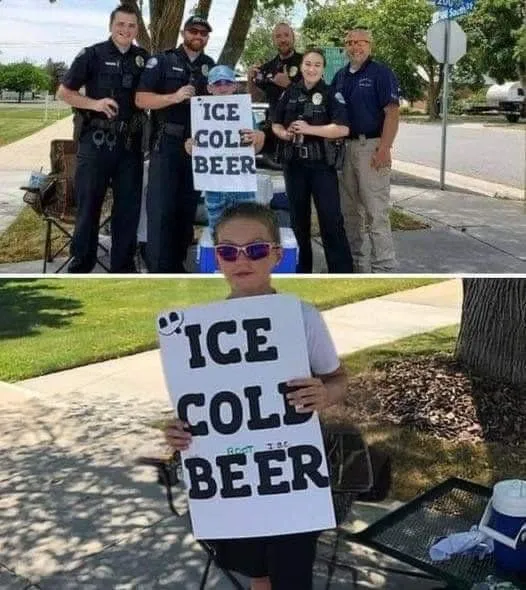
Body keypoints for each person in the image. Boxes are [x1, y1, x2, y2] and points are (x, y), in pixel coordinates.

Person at [164, 201, 348, 590]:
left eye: (257, 249)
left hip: (291, 481)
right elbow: (198, 411)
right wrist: (180, 434)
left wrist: (324, 394)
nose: (241, 260)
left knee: (292, 575)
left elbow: (338, 379)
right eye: (228, 251)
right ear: (216, 257)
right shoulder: (195, 333)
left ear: (277, 255)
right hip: (235, 486)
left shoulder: (302, 316)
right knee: (256, 574)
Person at [58, 4, 149, 273]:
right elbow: (63, 92)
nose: (125, 30)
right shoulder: (92, 54)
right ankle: (82, 264)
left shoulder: (144, 58)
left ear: (136, 29)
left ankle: (123, 266)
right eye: (121, 24)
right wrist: (94, 104)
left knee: (128, 210)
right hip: (95, 143)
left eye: (131, 26)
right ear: (111, 26)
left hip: (129, 147)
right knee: (88, 208)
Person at [135, 15, 215, 273]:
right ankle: (158, 267)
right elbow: (141, 99)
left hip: (197, 148)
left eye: (203, 33)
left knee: (186, 209)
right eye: (194, 31)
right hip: (167, 144)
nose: (198, 36)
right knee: (161, 209)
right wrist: (173, 96)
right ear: (183, 33)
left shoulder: (209, 65)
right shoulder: (162, 60)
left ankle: (178, 263)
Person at [271, 49, 354, 274]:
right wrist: (283, 134)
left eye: (317, 65)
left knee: (331, 220)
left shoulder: (330, 93)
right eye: (308, 64)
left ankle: (341, 272)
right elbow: (275, 123)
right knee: (298, 222)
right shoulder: (290, 92)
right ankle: (300, 271)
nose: (311, 68)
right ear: (302, 65)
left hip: (321, 167)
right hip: (294, 165)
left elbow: (343, 128)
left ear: (323, 68)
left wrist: (310, 129)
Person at [331, 28, 401, 273]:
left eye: (360, 42)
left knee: (376, 214)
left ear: (370, 45)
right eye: (350, 42)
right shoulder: (340, 76)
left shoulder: (381, 73)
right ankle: (356, 267)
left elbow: (392, 113)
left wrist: (385, 147)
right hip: (345, 149)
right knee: (350, 215)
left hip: (371, 147)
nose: (355, 47)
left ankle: (384, 268)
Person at [184, 65, 265, 232]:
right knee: (218, 233)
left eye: (227, 83)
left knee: (245, 233)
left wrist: (259, 138)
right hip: (214, 187)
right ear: (209, 88)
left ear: (235, 86)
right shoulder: (199, 113)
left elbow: (254, 150)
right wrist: (189, 146)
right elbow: (191, 148)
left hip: (242, 186)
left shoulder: (245, 112)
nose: (222, 87)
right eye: (217, 83)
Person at [247, 23, 303, 165]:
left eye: (286, 35)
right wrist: (250, 79)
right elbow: (255, 98)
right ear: (273, 40)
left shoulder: (306, 63)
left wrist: (290, 85)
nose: (283, 39)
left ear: (293, 37)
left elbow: (318, 96)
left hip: (301, 131)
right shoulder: (267, 67)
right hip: (274, 131)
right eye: (278, 36)